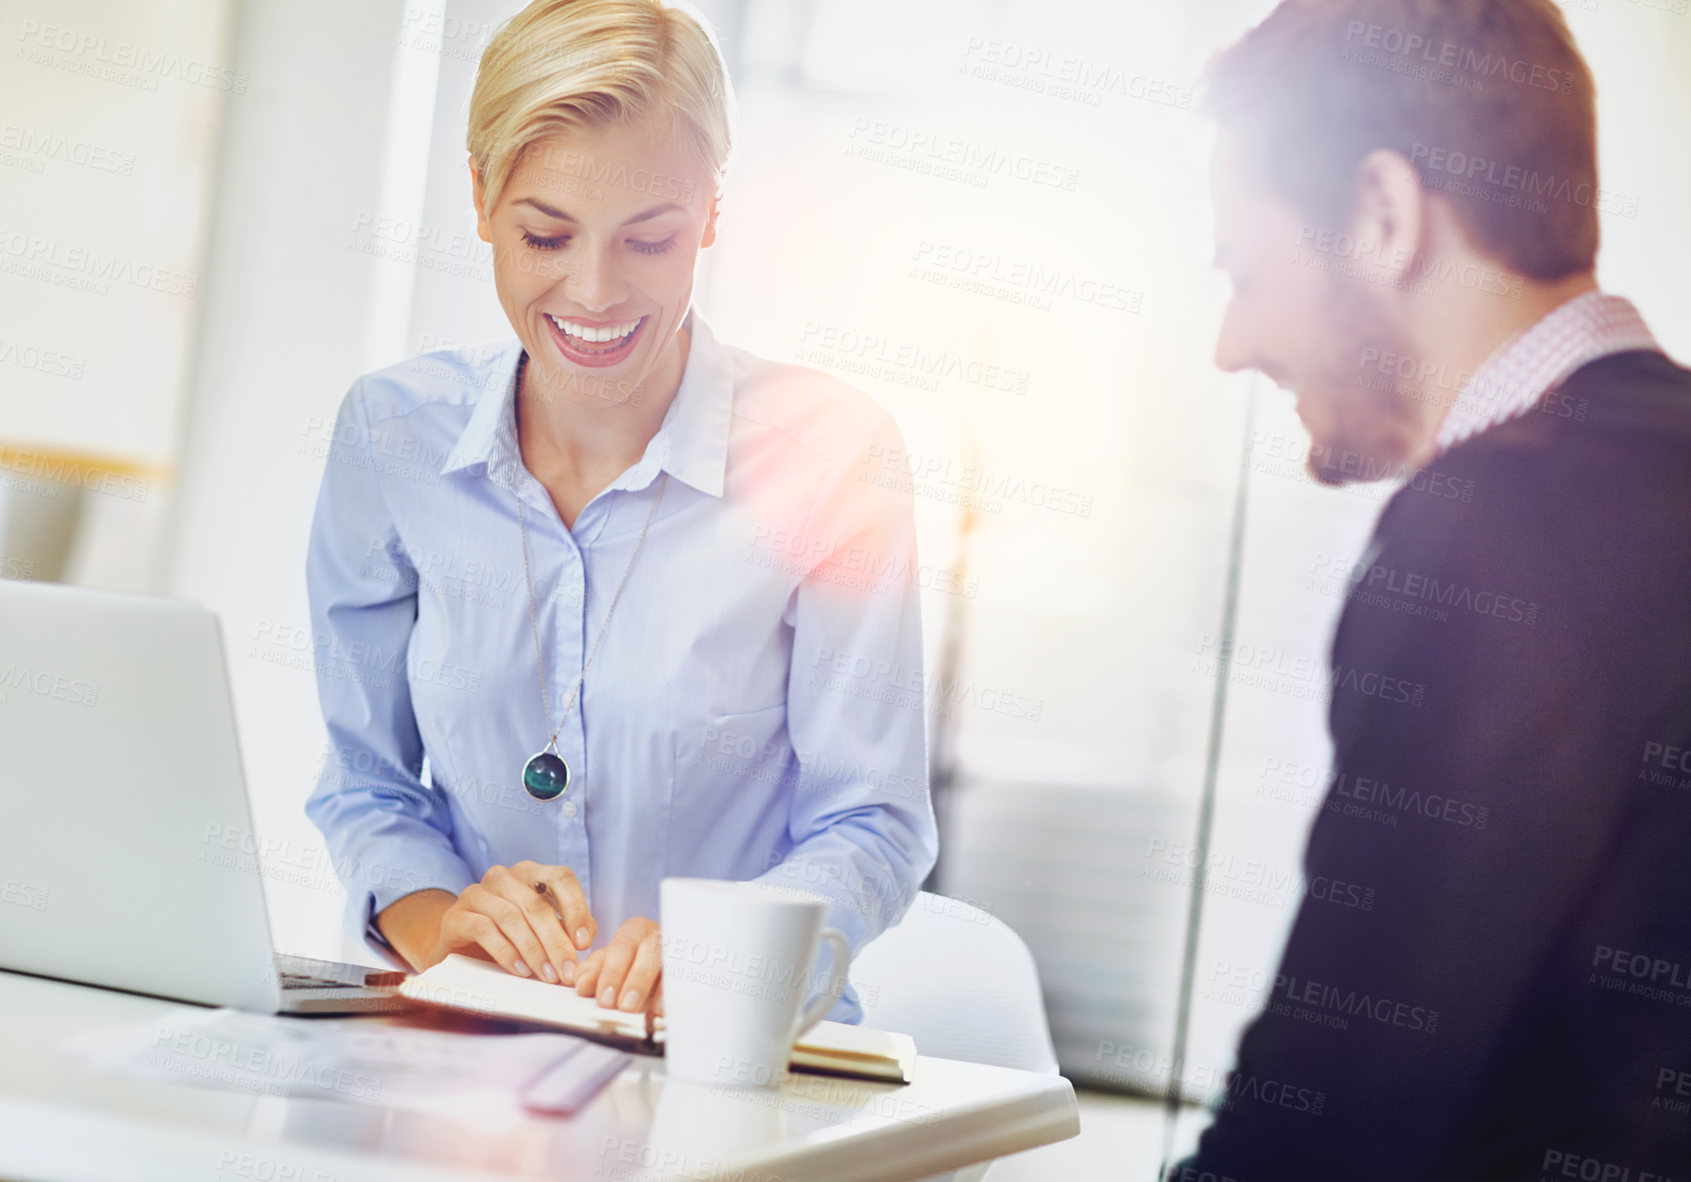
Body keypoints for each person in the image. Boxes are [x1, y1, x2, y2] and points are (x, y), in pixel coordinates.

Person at [304, 0, 936, 1026]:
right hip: (462, 1048)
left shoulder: (831, 455)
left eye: (650, 240)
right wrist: (439, 925)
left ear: (713, 215)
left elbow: (871, 820)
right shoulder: (393, 435)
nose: (593, 294)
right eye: (545, 234)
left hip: (721, 1055)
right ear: (478, 198)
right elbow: (364, 782)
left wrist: (726, 958)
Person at [1179, 0, 1691, 1176]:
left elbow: (1338, 1105)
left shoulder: (1486, 529)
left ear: (1381, 214)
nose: (1228, 342)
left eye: (1247, 271)